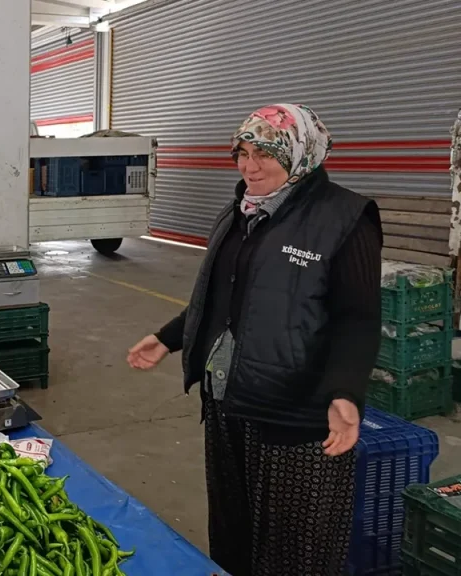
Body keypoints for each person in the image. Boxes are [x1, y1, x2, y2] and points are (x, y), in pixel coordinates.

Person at [127, 104, 382, 576]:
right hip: (228, 403)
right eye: (241, 153)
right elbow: (223, 298)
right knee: (232, 538)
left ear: (301, 154)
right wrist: (168, 338)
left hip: (296, 417)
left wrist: (346, 392)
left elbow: (359, 319)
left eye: (264, 154)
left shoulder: (345, 218)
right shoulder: (241, 210)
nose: (249, 167)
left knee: (294, 554)